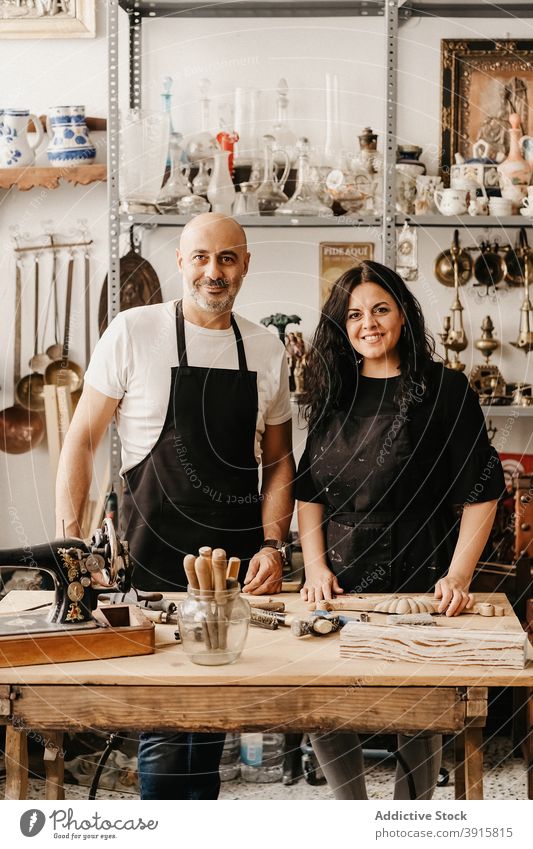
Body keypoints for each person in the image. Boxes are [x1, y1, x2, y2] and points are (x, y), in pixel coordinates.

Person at [56, 212, 295, 799]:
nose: (214, 272)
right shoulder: (134, 331)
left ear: (245, 265)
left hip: (230, 575)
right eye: (201, 258)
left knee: (210, 723)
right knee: (163, 726)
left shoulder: (264, 347)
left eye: (228, 258)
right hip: (153, 565)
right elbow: (82, 439)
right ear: (182, 263)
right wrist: (70, 545)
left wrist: (272, 544)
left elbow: (279, 461)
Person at [295, 260, 505, 800]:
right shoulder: (332, 391)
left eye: (381, 309)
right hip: (341, 582)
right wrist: (315, 566)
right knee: (328, 704)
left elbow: (483, 491)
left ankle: (408, 815)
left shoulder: (445, 389)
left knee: (419, 705)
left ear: (404, 316)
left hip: (422, 572)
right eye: (355, 315)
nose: (369, 323)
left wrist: (458, 577)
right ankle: (353, 816)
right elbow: (310, 493)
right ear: (342, 328)